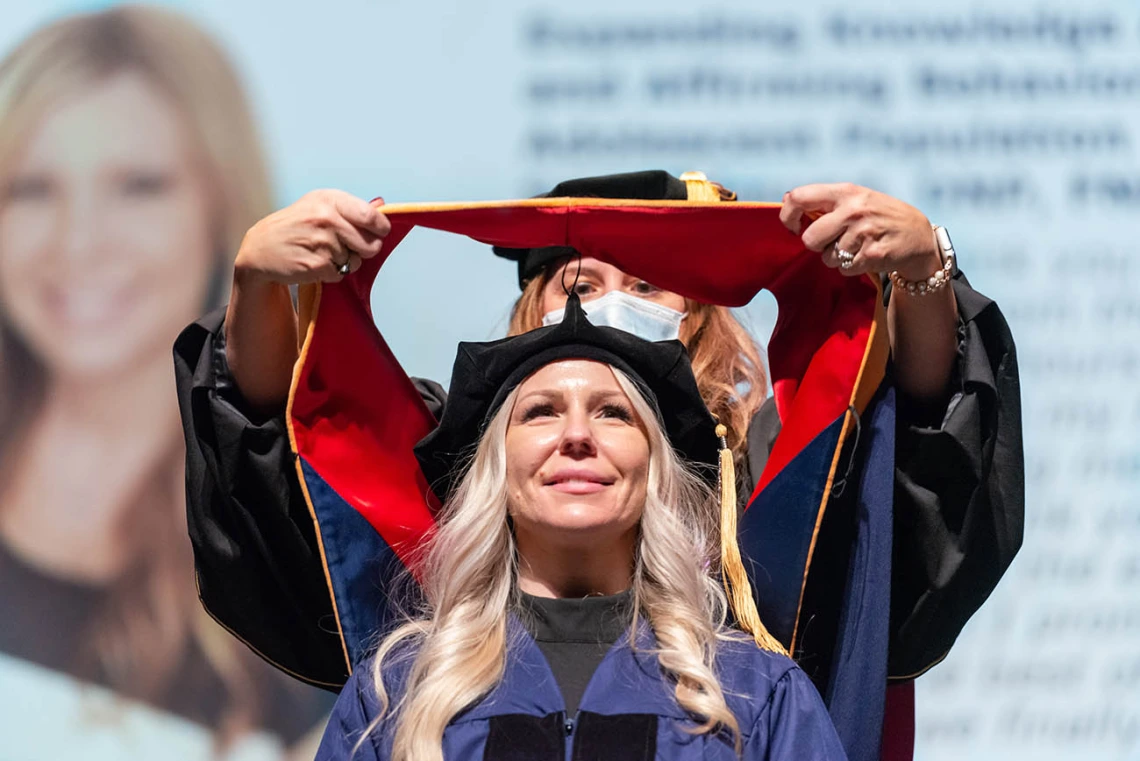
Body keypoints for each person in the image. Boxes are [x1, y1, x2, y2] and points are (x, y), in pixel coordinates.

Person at [175, 172, 1021, 758]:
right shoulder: (476, 452)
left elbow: (920, 461)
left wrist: (922, 274)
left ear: (701, 311)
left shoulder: (779, 460)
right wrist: (258, 283)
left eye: (647, 283)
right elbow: (294, 457)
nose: (609, 302)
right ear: (533, 309)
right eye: (581, 276)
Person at [314, 292, 848, 761]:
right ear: (496, 468)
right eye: (541, 411)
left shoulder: (754, 692)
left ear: (655, 470)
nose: (576, 435)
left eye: (614, 413)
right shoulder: (396, 693)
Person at [0, 6, 331, 750]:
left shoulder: (306, 528)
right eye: (30, 190)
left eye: (138, 186)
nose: (78, 242)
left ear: (220, 207)